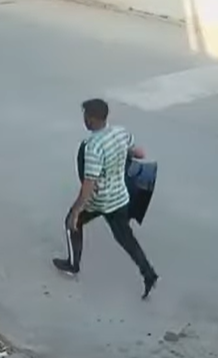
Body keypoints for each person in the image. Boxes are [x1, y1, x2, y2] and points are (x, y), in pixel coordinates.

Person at [52, 98, 159, 299]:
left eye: (85, 116)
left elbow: (89, 183)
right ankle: (148, 273)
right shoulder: (121, 132)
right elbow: (139, 152)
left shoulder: (92, 146)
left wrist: (76, 211)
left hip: (100, 200)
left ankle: (72, 265)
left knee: (71, 224)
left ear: (91, 119)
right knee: (126, 239)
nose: (84, 120)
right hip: (120, 197)